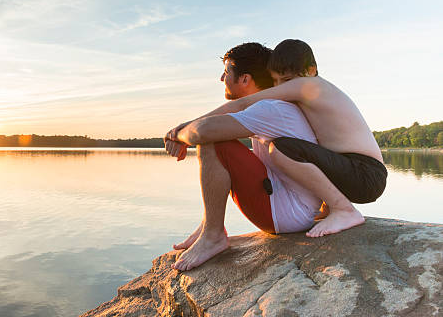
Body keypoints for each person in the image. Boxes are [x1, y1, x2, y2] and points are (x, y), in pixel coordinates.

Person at [178, 39, 387, 238]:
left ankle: (344, 210)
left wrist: (183, 129)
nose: (279, 88)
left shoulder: (307, 85)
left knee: (282, 148)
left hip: (365, 172)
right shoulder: (307, 95)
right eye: (275, 81)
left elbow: (240, 106)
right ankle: (333, 206)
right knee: (296, 147)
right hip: (354, 169)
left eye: (285, 81)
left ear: (310, 70)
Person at [164, 42, 323, 271]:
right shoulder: (268, 106)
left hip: (288, 214)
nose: (221, 78)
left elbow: (204, 131)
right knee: (219, 137)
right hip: (292, 206)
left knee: (215, 141)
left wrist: (177, 135)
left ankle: (213, 235)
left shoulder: (269, 109)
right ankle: (208, 225)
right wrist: (180, 131)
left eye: (227, 72)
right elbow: (217, 118)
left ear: (245, 80)